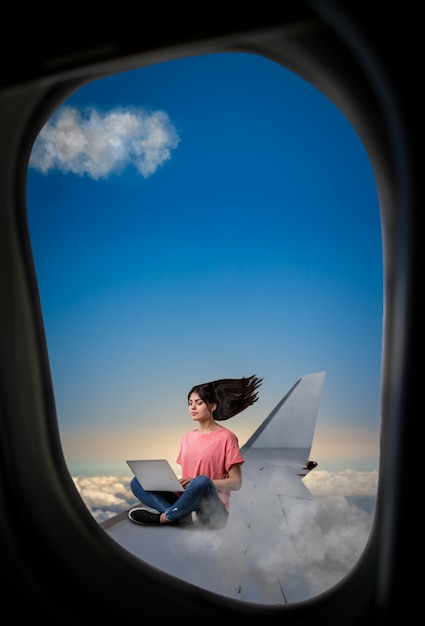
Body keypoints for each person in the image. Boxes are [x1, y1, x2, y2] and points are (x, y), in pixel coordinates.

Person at [128, 375, 262, 528]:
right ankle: (178, 516)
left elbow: (236, 483)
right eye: (190, 403)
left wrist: (198, 483)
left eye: (198, 403)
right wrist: (177, 483)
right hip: (186, 502)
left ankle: (164, 518)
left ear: (212, 406)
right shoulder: (187, 437)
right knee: (137, 481)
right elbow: (188, 475)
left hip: (212, 511)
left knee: (202, 481)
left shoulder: (227, 437)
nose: (192, 407)